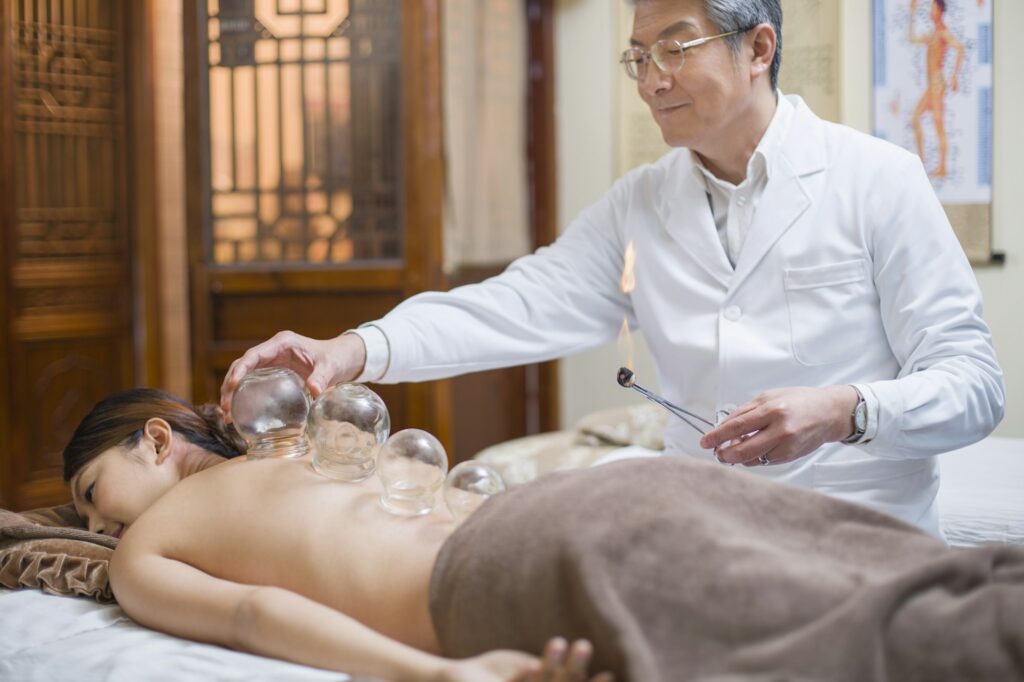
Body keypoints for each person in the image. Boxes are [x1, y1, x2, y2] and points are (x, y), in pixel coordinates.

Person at [220, 0, 1004, 535]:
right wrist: (351, 350)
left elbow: (974, 385)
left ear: (758, 47)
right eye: (638, 56)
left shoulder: (877, 178)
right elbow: (515, 304)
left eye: (675, 48)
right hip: (701, 538)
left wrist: (846, 409)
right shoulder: (642, 203)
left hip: (860, 541)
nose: (651, 79)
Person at [64, 389, 1024, 682]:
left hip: (527, 542)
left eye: (92, 494)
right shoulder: (158, 549)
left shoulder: (260, 467)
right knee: (897, 584)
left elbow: (252, 611)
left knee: (887, 624)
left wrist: (439, 676)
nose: (101, 528)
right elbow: (251, 611)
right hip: (575, 512)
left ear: (153, 438)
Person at [910, 0, 965, 179]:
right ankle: (922, 163)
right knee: (916, 118)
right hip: (931, 86)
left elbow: (960, 48)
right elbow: (911, 38)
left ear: (939, 10)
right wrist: (912, 13)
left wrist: (955, 76)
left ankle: (942, 168)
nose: (930, 10)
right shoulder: (932, 34)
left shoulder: (942, 32)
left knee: (938, 124)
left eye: (933, 7)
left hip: (937, 85)